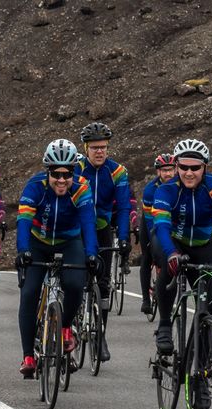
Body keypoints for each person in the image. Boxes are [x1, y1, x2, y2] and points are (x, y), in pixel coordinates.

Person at [151, 138, 212, 409]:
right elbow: (161, 225)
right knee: (166, 265)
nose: (189, 173)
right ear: (177, 167)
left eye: (195, 168)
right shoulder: (167, 190)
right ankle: (166, 323)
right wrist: (170, 255)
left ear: (205, 168)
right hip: (172, 242)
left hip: (203, 245)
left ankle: (200, 378)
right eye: (183, 167)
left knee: (208, 312)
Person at [15, 140, 99, 378]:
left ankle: (65, 328)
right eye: (56, 173)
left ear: (74, 171)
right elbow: (23, 221)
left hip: (69, 241)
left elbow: (88, 224)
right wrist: (23, 251)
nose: (62, 179)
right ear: (47, 171)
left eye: (67, 173)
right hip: (38, 242)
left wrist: (91, 254)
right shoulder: (35, 187)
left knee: (74, 284)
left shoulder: (82, 188)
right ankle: (28, 356)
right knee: (30, 292)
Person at [75, 122, 130, 361]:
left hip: (102, 228)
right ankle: (72, 321)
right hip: (76, 228)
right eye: (95, 147)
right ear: (86, 148)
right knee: (76, 279)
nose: (100, 152)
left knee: (104, 283)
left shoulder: (117, 172)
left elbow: (125, 207)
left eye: (104, 147)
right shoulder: (75, 168)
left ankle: (101, 335)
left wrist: (125, 238)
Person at [139, 153, 177, 314]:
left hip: (170, 222)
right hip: (151, 223)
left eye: (170, 170)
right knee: (147, 257)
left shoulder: (180, 185)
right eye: (164, 170)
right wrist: (152, 243)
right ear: (158, 172)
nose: (168, 173)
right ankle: (145, 299)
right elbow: (150, 223)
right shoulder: (150, 190)